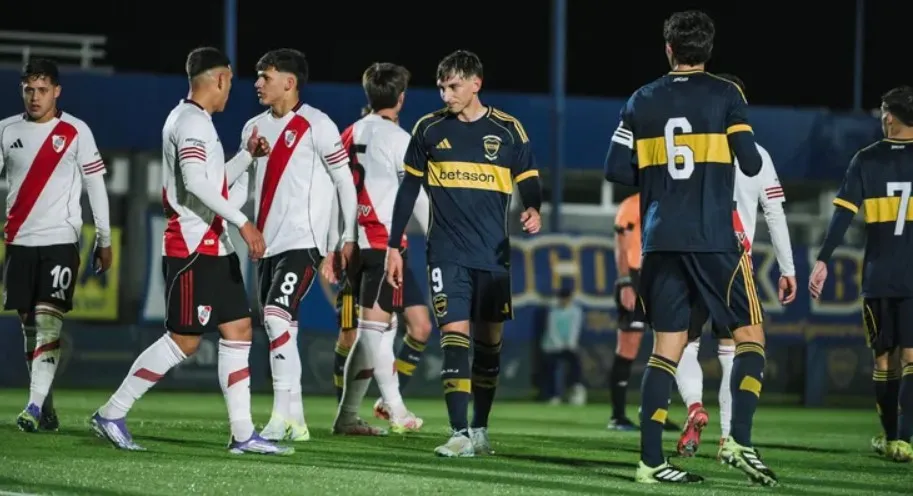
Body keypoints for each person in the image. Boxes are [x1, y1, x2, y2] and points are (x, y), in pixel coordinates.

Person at [90, 47, 291, 456]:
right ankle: (112, 412)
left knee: (237, 330)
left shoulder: (196, 121)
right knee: (184, 340)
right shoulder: (191, 123)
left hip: (214, 247)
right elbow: (197, 185)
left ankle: (241, 433)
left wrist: (247, 157)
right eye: (232, 81)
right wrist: (243, 222)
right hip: (193, 248)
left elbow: (209, 181)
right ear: (219, 78)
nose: (232, 89)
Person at [604, 11, 777, 485]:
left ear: (668, 49)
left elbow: (615, 169)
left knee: (666, 350)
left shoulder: (641, 99)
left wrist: (659, 177)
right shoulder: (727, 94)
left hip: (659, 241)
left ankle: (649, 462)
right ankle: (739, 440)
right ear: (709, 50)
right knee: (751, 338)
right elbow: (750, 158)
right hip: (712, 240)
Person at [384, 50, 543, 457]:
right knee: (454, 335)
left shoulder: (508, 131)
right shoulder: (429, 129)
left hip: (492, 255)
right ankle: (458, 432)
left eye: (453, 86)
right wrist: (394, 245)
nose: (445, 93)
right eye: (441, 86)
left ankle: (480, 428)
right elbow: (407, 191)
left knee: (489, 344)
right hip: (446, 252)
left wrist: (533, 208)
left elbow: (529, 178)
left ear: (476, 84)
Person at [239, 48, 359, 443]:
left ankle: (279, 418)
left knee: (274, 317)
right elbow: (244, 186)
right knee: (281, 327)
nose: (258, 83)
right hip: (267, 247)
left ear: (289, 82)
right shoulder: (253, 128)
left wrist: (345, 238)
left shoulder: (317, 125)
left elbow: (345, 182)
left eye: (265, 76)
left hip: (304, 242)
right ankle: (297, 419)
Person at [675, 73, 797, 459]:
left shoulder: (688, 147)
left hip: (687, 254)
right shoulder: (756, 154)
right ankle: (730, 438)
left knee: (680, 345)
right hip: (733, 260)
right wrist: (787, 268)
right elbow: (774, 212)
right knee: (738, 346)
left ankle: (694, 405)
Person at [0, 58, 113, 433]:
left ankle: (32, 406)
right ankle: (45, 404)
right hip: (19, 242)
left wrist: (104, 236)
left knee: (49, 321)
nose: (35, 97)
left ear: (57, 92)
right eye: (29, 89)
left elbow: (96, 185)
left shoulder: (76, 131)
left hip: (61, 241)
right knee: (29, 328)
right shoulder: (5, 130)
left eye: (43, 90)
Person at [324, 62, 429, 435]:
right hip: (385, 246)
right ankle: (395, 407)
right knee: (374, 332)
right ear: (400, 99)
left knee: (378, 333)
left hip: (354, 244)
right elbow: (416, 197)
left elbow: (335, 193)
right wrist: (440, 236)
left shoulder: (347, 133)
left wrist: (335, 244)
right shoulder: (401, 140)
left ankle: (347, 416)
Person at [809, 86, 913, 463]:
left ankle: (892, 438)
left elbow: (843, 215)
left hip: (880, 276)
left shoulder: (866, 159)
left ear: (889, 115)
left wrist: (822, 259)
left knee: (884, 360)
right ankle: (906, 438)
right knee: (912, 357)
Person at [607, 193, 679, 433]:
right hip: (635, 276)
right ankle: (617, 416)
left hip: (659, 275)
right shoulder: (633, 204)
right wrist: (626, 281)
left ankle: (655, 412)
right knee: (629, 345)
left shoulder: (667, 202)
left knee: (667, 344)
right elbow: (621, 242)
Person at [541, 287, 585, 405]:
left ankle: (576, 390)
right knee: (554, 369)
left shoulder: (576, 311)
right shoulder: (553, 311)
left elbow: (574, 329)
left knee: (576, 365)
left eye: (566, 299)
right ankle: (555, 395)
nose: (564, 301)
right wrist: (559, 344)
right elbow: (552, 329)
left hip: (569, 346)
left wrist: (570, 344)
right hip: (552, 346)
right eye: (562, 299)